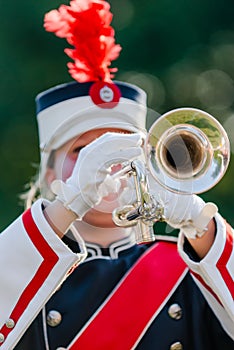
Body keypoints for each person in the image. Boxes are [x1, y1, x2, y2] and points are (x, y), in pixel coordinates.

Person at [0, 1, 233, 349]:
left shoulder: (192, 266)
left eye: (124, 148)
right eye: (81, 150)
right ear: (49, 175)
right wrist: (68, 205)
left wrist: (198, 220)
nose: (108, 163)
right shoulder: (25, 267)